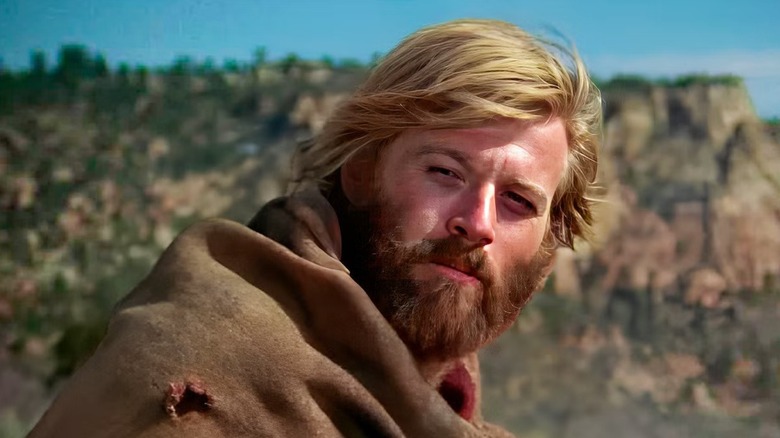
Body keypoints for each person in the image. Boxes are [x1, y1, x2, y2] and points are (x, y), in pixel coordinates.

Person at [30, 19, 601, 437]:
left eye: (519, 202)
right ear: (361, 172)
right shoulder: (207, 370)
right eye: (445, 171)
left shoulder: (440, 407)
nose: (476, 223)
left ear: (548, 249)